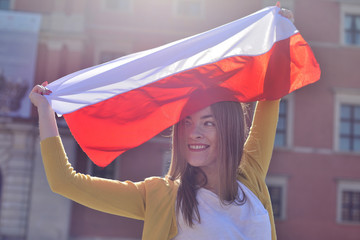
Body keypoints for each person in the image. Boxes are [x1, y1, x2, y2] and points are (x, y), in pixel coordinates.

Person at [29, 7, 294, 240]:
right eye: (187, 123)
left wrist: (280, 36)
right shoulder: (163, 197)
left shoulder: (250, 175)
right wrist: (45, 111)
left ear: (228, 129)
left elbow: (271, 96)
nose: (194, 133)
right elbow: (65, 182)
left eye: (208, 123)